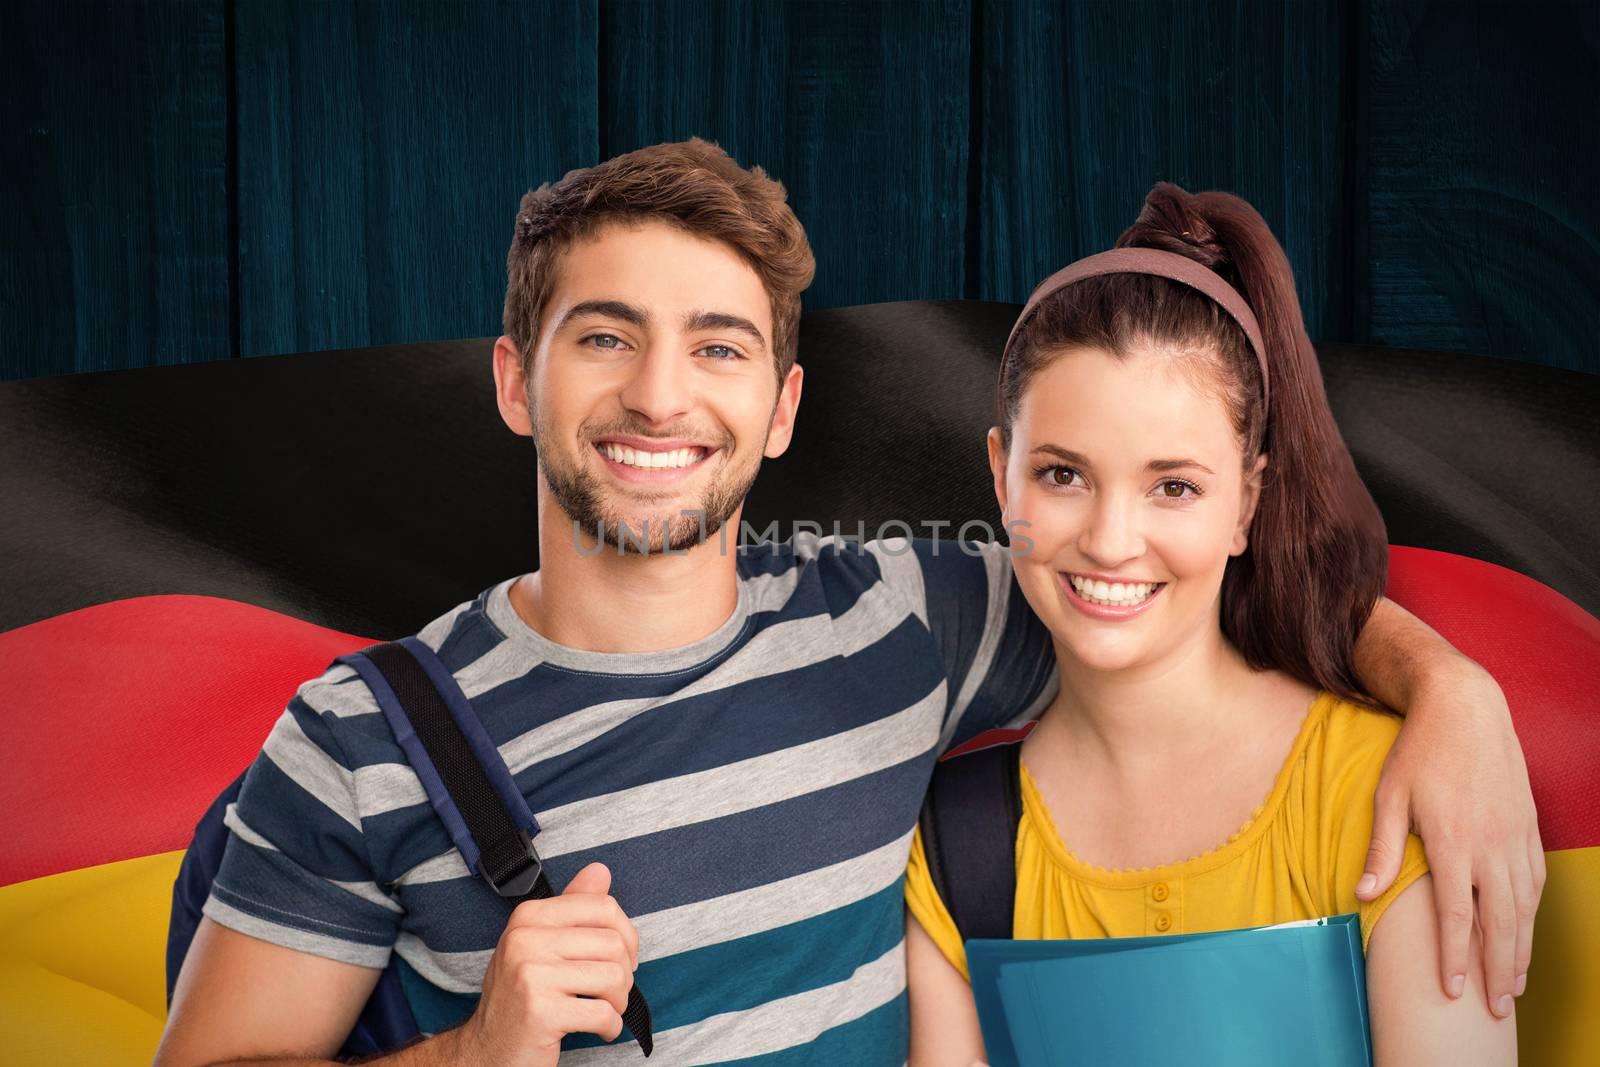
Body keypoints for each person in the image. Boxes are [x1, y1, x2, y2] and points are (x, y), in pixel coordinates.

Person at [154, 142, 1538, 1067]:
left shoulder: (900, 620)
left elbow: (1152, 583)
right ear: (518, 381)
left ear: (780, 410)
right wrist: (470, 1050)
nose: (658, 392)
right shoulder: (354, 736)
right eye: (605, 337)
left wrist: (1450, 691)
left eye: (718, 344)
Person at [903, 184, 1520, 1065]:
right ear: (1002, 476)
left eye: (1175, 486)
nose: (1112, 542)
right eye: (1063, 475)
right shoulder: (954, 850)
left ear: (1248, 503)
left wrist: (1448, 681)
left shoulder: (1389, 793)